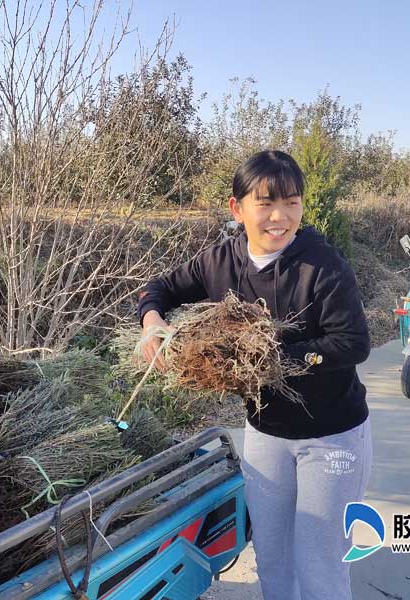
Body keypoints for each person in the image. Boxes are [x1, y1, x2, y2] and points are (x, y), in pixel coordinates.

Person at [137, 150, 372, 600]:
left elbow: (352, 344)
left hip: (332, 435)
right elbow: (160, 288)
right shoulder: (220, 262)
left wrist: (271, 357)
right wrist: (153, 322)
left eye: (292, 202)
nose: (280, 217)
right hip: (266, 432)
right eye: (265, 203)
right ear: (237, 208)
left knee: (318, 557)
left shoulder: (322, 266)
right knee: (271, 552)